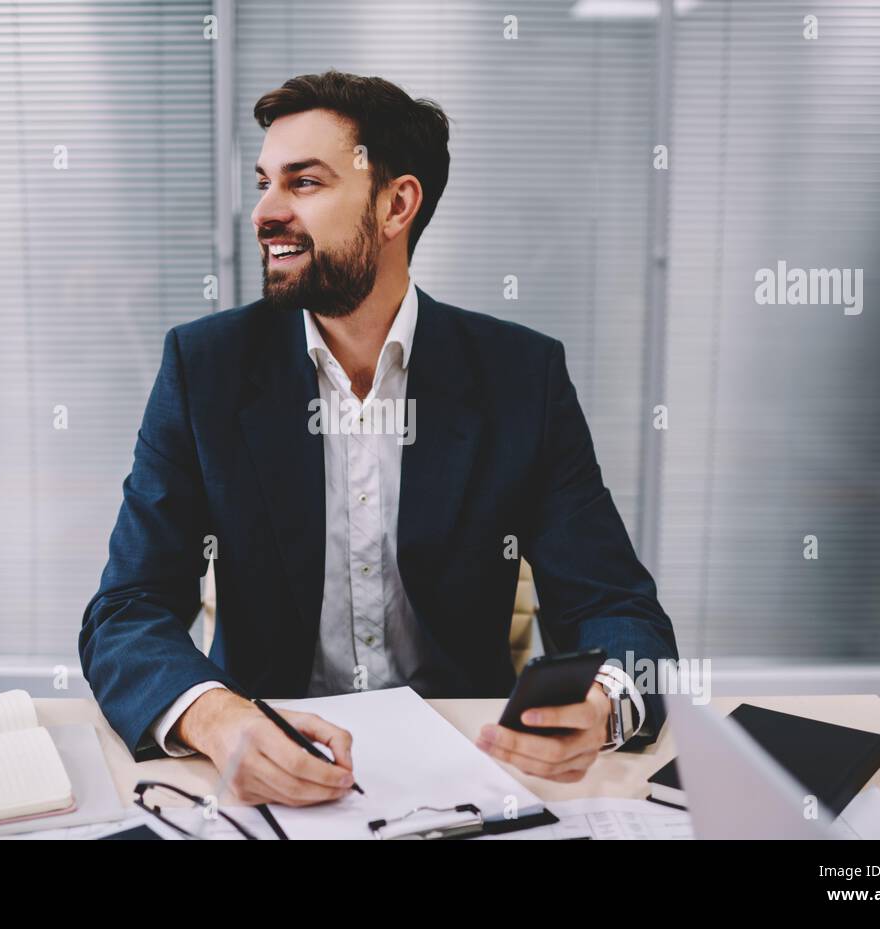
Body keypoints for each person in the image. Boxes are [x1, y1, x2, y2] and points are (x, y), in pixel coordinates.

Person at [80, 70, 678, 807]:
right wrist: (214, 715)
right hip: (269, 765)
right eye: (264, 182)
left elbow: (616, 606)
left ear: (396, 203)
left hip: (467, 769)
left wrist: (603, 703)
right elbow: (127, 608)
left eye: (303, 183)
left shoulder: (521, 376)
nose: (265, 212)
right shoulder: (206, 369)